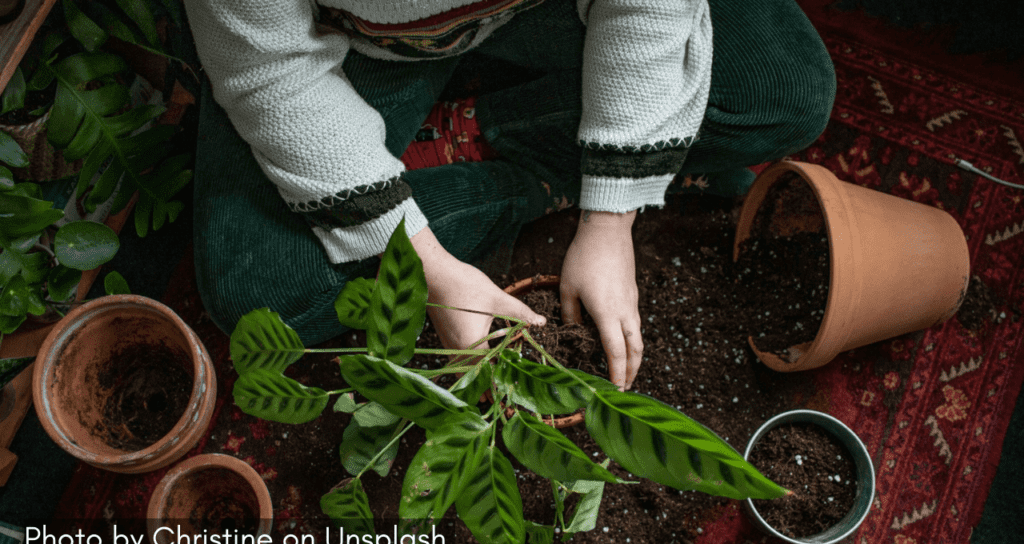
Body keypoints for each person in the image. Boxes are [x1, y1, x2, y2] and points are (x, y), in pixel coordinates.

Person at [182, 0, 835, 390]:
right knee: (259, 287)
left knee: (785, 93)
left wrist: (610, 217)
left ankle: (485, 138)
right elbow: (270, 72)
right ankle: (534, 159)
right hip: (357, 42)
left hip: (540, 15)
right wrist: (427, 268)